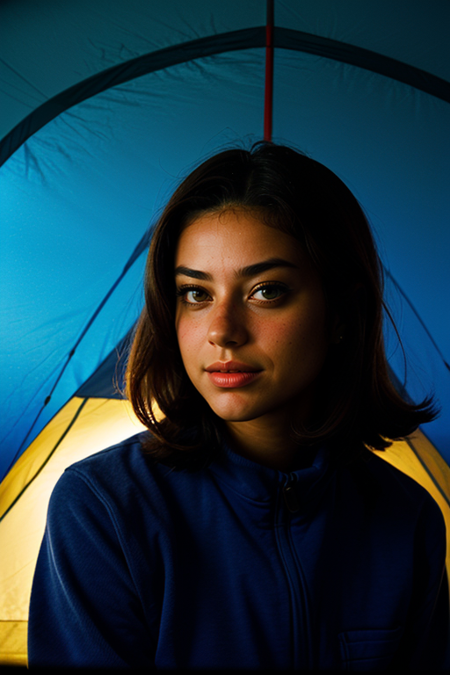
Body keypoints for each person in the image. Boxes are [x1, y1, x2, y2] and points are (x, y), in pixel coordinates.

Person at [28, 142, 449, 670]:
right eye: (196, 294)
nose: (222, 331)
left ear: (344, 314)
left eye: (266, 291)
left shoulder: (407, 520)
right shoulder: (102, 509)